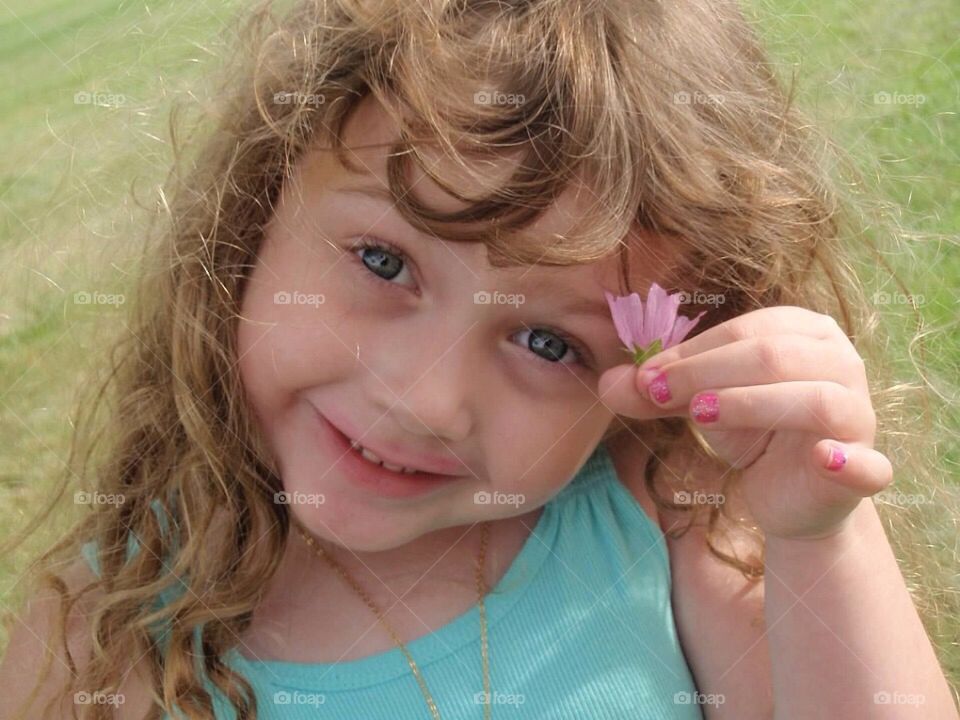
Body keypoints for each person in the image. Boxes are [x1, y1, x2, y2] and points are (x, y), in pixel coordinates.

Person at [2, 0, 957, 718]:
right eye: (384, 262)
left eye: (550, 343)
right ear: (255, 217)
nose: (426, 397)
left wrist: (818, 540)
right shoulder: (96, 637)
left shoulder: (668, 519)